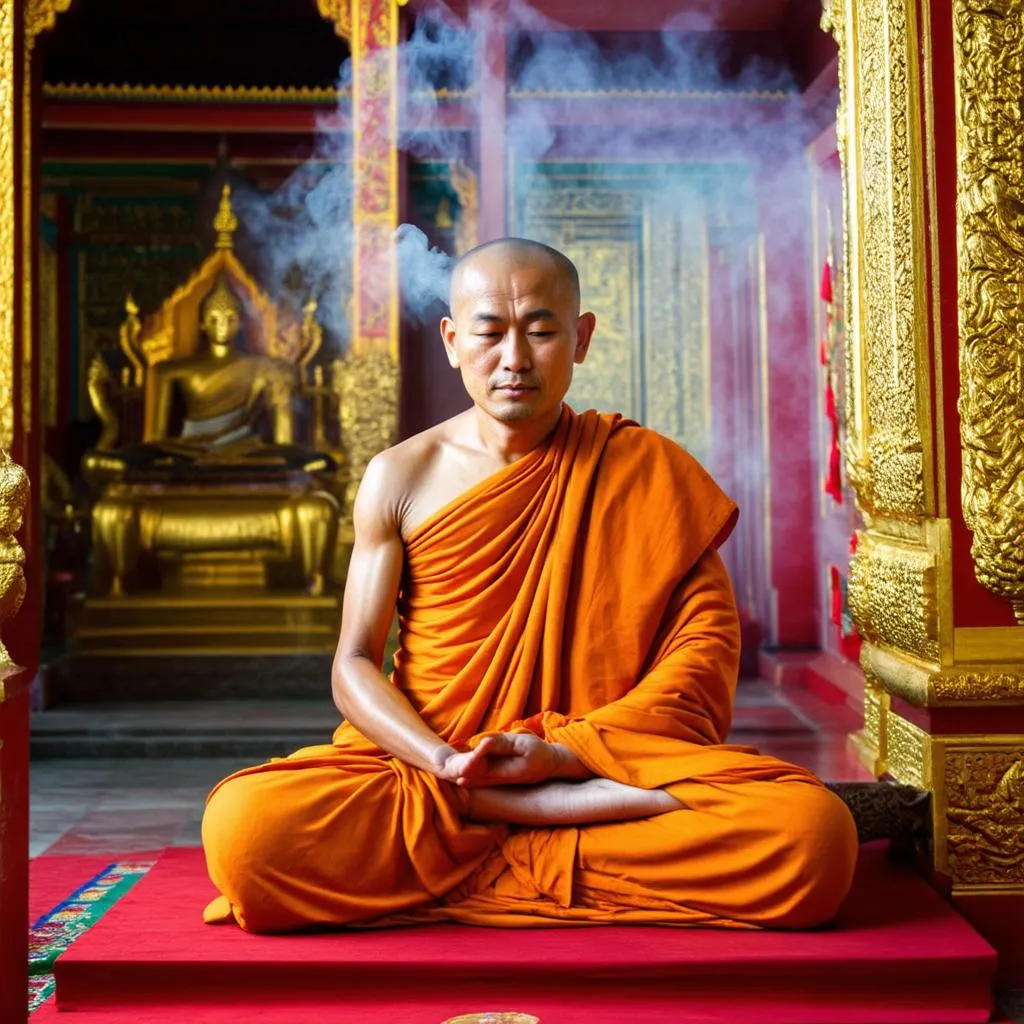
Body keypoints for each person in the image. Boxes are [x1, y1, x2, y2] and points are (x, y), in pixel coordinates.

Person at [201, 238, 858, 934]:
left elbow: (698, 665)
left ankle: (508, 828)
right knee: (248, 833)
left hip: (590, 768)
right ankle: (525, 826)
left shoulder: (642, 470)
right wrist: (446, 762)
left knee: (810, 836)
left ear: (581, 338)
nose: (514, 359)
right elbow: (354, 663)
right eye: (489, 333)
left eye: (541, 332)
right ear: (453, 341)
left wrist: (565, 756)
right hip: (432, 781)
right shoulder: (400, 476)